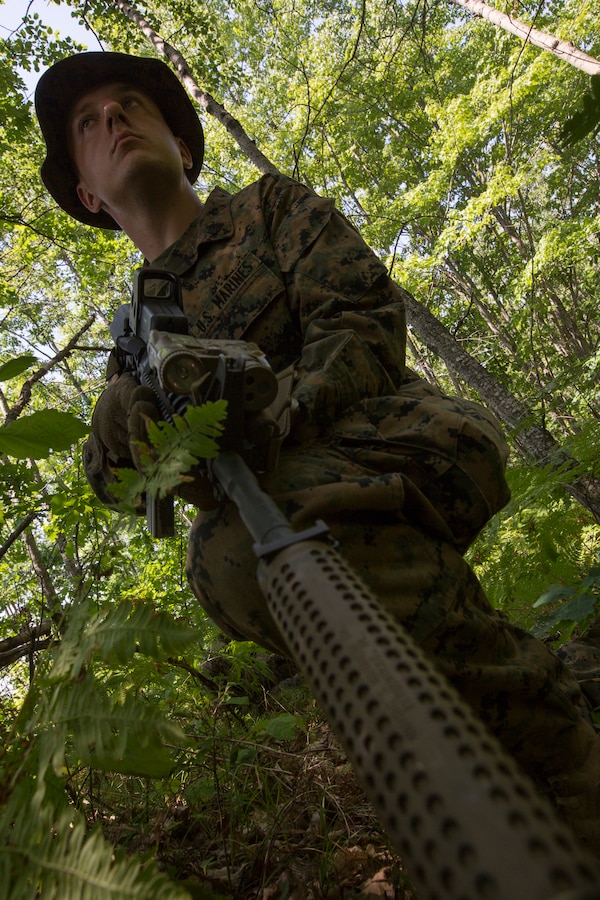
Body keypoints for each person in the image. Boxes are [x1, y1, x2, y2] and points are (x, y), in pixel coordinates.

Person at [35, 51, 600, 856]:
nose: (113, 121)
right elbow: (114, 484)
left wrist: (264, 411)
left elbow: (363, 323)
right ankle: (535, 708)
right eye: (88, 125)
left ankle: (560, 775)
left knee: (237, 549)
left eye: (130, 105)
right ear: (88, 193)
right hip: (278, 536)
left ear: (185, 146)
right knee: (229, 561)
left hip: (407, 447)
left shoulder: (271, 212)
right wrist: (115, 420)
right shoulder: (131, 345)